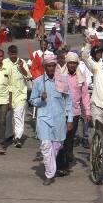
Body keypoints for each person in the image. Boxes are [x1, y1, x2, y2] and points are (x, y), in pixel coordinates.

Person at [29, 54, 73, 185]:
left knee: (57, 145)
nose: (51, 68)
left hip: (59, 119)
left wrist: (70, 119)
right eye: (49, 65)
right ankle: (49, 174)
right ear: (44, 67)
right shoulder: (38, 82)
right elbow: (32, 101)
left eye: (53, 65)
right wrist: (41, 99)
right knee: (45, 145)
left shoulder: (63, 81)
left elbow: (69, 101)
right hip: (43, 118)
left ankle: (50, 166)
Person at [56, 52, 91, 175]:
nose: (71, 65)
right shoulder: (60, 75)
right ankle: (62, 164)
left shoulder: (81, 78)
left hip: (75, 113)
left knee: (69, 139)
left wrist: (87, 112)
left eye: (74, 63)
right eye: (69, 62)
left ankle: (66, 161)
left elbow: (85, 96)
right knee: (61, 139)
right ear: (67, 63)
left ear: (77, 64)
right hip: (60, 112)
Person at [5, 45, 29, 148]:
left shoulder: (22, 62)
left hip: (20, 94)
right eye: (12, 54)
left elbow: (28, 76)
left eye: (15, 53)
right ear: (8, 53)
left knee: (18, 116)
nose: (14, 56)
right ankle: (9, 135)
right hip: (6, 95)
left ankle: (18, 138)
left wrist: (22, 67)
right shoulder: (5, 63)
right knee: (8, 117)